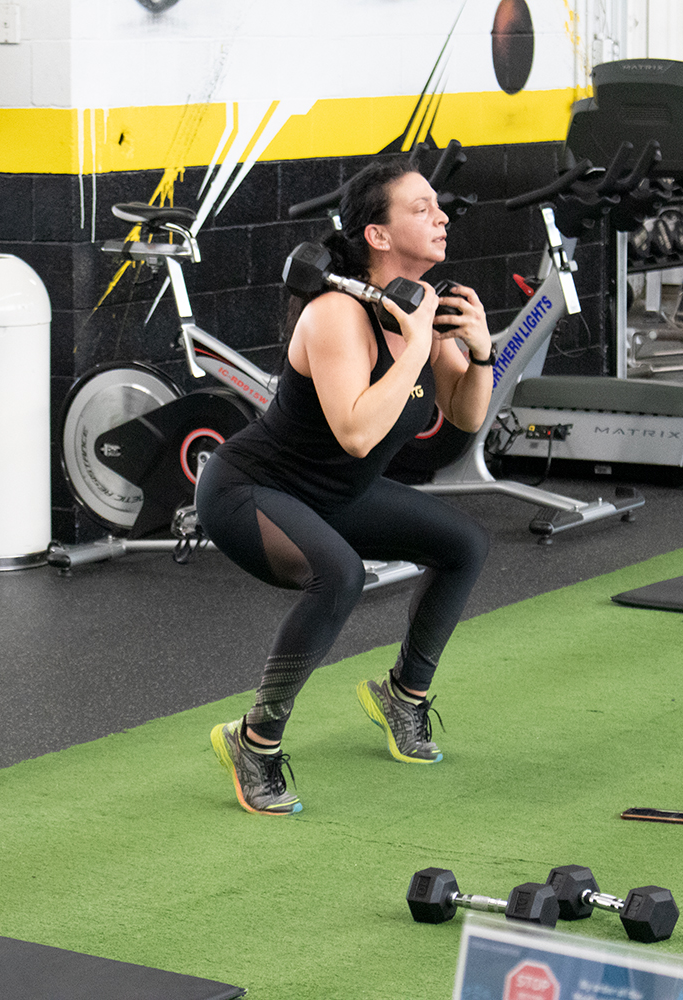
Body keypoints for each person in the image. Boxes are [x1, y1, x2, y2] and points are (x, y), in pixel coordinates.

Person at [197, 159, 494, 816]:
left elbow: (467, 417)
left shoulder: (420, 310)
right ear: (377, 235)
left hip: (333, 493)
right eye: (421, 208)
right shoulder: (337, 313)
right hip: (251, 489)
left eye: (438, 206)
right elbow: (358, 432)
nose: (441, 216)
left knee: (464, 545)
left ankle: (404, 699)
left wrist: (478, 352)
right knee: (340, 575)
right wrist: (417, 348)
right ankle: (256, 741)